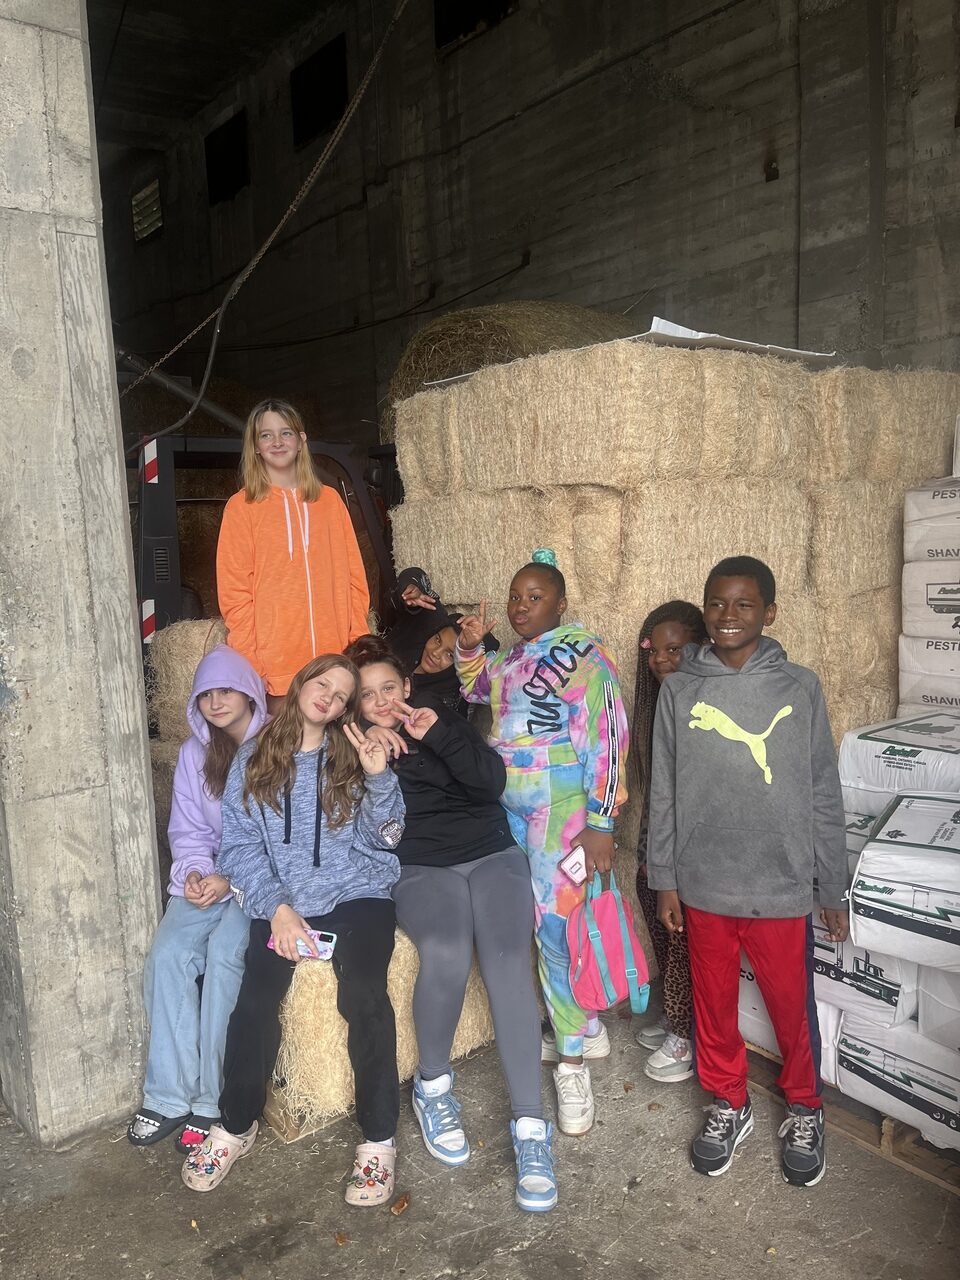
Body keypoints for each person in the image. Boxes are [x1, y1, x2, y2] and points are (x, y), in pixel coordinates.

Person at [647, 556, 849, 1188]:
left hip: (780, 883)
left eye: (743, 605)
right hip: (705, 882)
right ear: (703, 610)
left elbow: (822, 789)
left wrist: (830, 883)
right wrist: (665, 878)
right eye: (716, 604)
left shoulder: (799, 687)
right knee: (714, 1003)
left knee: (791, 1005)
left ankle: (805, 1106)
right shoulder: (680, 691)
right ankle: (728, 1102)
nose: (728, 616)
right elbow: (664, 793)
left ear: (769, 611)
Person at [180, 655, 405, 1205]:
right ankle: (235, 1126)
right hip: (282, 904)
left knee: (366, 996)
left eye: (341, 694)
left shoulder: (355, 754)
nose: (328, 696)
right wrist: (276, 907)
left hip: (358, 895)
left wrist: (379, 781)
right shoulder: (254, 758)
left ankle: (379, 1142)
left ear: (345, 709)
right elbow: (237, 847)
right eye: (321, 683)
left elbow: (389, 838)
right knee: (254, 1001)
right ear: (300, 683)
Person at [347, 635, 557, 1212]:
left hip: (491, 852)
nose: (384, 701)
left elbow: (489, 784)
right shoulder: (359, 749)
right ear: (357, 708)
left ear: (407, 686)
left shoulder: (445, 721)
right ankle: (433, 1086)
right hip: (422, 864)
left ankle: (530, 1129)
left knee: (509, 960)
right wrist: (374, 763)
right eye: (369, 697)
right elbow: (369, 835)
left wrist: (432, 731)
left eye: (390, 687)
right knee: (445, 949)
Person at [456, 549, 629, 1137]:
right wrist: (472, 646)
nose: (521, 606)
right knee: (528, 921)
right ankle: (581, 1024)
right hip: (508, 806)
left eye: (534, 597)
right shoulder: (508, 660)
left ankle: (572, 1063)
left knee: (560, 927)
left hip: (562, 808)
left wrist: (601, 820)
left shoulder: (585, 654)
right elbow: (478, 690)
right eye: (514, 598)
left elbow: (607, 733)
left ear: (559, 603)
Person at [128, 646, 267, 1152]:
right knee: (166, 955)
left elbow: (284, 840)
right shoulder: (193, 753)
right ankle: (168, 1095)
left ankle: (211, 1101)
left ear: (249, 691)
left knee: (226, 956)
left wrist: (230, 879)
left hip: (258, 885)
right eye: (205, 694)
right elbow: (187, 829)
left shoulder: (278, 746)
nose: (215, 702)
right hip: (208, 880)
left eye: (225, 690)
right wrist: (193, 873)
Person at [216, 399, 370, 709]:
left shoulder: (330, 501)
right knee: (287, 754)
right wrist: (255, 664)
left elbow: (355, 578)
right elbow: (234, 594)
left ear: (301, 442)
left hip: (335, 664)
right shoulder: (241, 508)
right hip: (278, 673)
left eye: (286, 433)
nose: (276, 442)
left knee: (340, 753)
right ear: (255, 446)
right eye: (266, 435)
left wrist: (357, 645)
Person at [632, 601, 707, 1084]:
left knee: (679, 928)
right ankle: (678, 1014)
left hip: (688, 837)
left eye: (675, 649)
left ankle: (685, 1031)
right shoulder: (655, 701)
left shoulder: (701, 704)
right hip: (655, 830)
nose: (662, 659)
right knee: (648, 896)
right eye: (655, 651)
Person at [386, 567, 466, 715]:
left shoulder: (440, 702)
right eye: (437, 640)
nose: (435, 653)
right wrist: (412, 590)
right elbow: (414, 574)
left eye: (450, 655)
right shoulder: (429, 623)